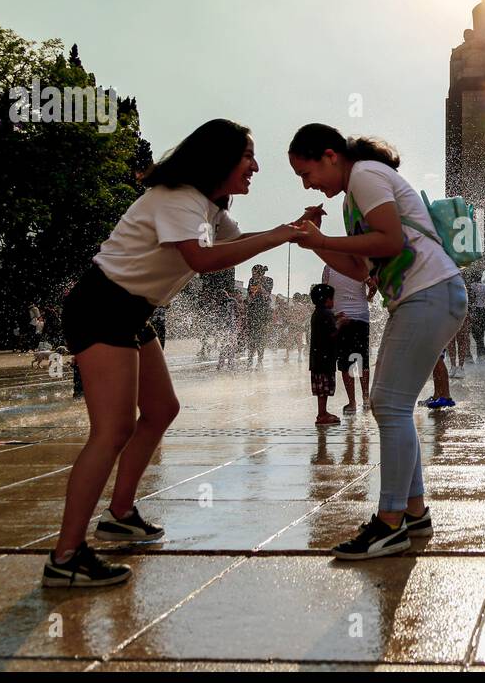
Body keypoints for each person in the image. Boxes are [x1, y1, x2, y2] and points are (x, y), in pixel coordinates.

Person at [44, 118, 303, 588]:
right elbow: (202, 261)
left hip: (130, 311)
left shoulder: (208, 207)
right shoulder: (179, 197)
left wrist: (287, 230)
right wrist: (282, 235)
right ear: (219, 159)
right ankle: (65, 557)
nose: (255, 167)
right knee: (112, 431)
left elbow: (234, 245)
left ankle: (120, 513)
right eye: (248, 157)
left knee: (161, 409)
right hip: (102, 305)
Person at [288, 123, 467, 560]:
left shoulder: (365, 174)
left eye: (306, 172)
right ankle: (413, 511)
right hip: (425, 294)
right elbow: (363, 268)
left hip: (429, 291)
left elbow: (389, 238)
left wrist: (324, 238)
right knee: (392, 405)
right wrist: (313, 243)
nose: (307, 183)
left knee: (388, 404)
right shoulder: (355, 194)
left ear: (331, 156)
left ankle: (389, 523)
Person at [323, 265, 372, 413]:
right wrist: (367, 299)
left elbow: (325, 292)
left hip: (341, 318)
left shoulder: (328, 268)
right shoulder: (360, 265)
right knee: (362, 359)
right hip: (362, 317)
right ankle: (366, 398)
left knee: (346, 362)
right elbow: (373, 286)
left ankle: (352, 403)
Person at [309, 282, 342, 425]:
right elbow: (332, 333)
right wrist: (342, 323)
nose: (334, 301)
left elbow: (325, 326)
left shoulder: (318, 312)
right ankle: (322, 415)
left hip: (317, 359)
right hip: (324, 359)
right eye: (332, 298)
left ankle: (322, 412)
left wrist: (336, 317)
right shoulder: (327, 313)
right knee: (323, 389)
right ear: (326, 299)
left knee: (321, 389)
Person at [245, 264, 273, 367]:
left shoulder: (269, 280)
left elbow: (267, 295)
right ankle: (250, 359)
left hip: (263, 312)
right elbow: (249, 295)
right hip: (252, 311)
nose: (252, 275)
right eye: (252, 273)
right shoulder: (251, 280)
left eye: (254, 273)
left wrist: (260, 286)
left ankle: (260, 360)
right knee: (251, 337)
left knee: (261, 337)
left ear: (260, 273)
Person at [470, 271, 485, 359]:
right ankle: (481, 354)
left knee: (475, 333)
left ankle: (482, 353)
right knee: (481, 332)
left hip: (476, 310)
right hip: (484, 310)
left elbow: (471, 298)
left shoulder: (472, 286)